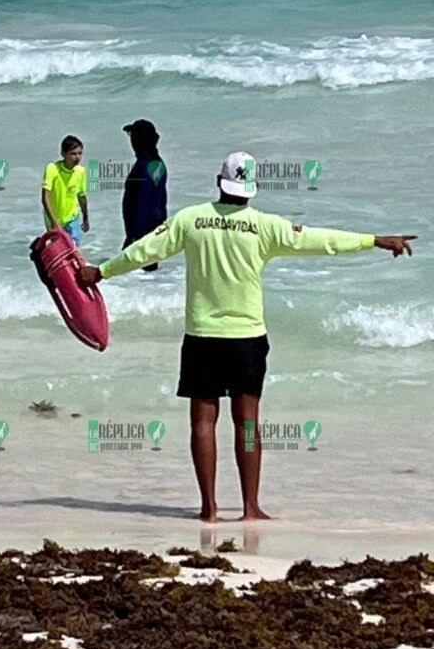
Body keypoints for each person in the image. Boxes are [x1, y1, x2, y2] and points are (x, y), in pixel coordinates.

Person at [78, 151, 415, 522]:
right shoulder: (263, 226)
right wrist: (374, 240)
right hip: (247, 340)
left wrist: (102, 272)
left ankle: (209, 509)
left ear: (219, 181)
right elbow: (320, 241)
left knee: (203, 422)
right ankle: (250, 507)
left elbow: (143, 250)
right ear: (251, 190)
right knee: (248, 424)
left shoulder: (190, 220)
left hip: (202, 336)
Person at [121, 119, 168, 272]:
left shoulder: (144, 167)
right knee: (148, 275)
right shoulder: (158, 163)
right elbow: (161, 200)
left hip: (141, 233)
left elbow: (142, 203)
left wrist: (133, 237)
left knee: (135, 275)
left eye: (133, 137)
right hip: (155, 229)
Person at [42, 136, 90, 245]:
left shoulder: (80, 171)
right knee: (59, 250)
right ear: (63, 154)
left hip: (72, 217)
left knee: (73, 247)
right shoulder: (52, 169)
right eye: (73, 154)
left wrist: (86, 217)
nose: (77, 157)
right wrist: (55, 223)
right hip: (53, 218)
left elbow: (81, 196)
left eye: (80, 153)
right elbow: (45, 198)